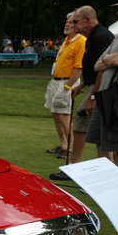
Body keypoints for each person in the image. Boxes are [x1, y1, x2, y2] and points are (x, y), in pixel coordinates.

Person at [49, 5, 114, 180]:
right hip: (96, 86)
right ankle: (99, 171)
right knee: (98, 133)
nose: (74, 25)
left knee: (81, 127)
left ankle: (76, 169)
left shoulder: (99, 37)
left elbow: (103, 69)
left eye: (76, 21)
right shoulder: (92, 37)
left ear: (86, 20)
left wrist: (93, 96)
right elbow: (94, 68)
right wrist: (84, 83)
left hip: (101, 89)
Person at [44, 12, 86, 159]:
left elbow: (79, 68)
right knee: (56, 113)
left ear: (79, 25)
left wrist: (67, 87)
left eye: (72, 22)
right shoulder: (67, 40)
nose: (67, 24)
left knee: (64, 115)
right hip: (56, 80)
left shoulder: (81, 41)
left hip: (67, 82)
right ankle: (63, 145)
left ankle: (71, 148)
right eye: (67, 21)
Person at [85, 27, 118, 169]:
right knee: (100, 139)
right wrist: (110, 59)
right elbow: (97, 64)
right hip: (106, 95)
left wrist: (110, 59)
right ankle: (105, 179)